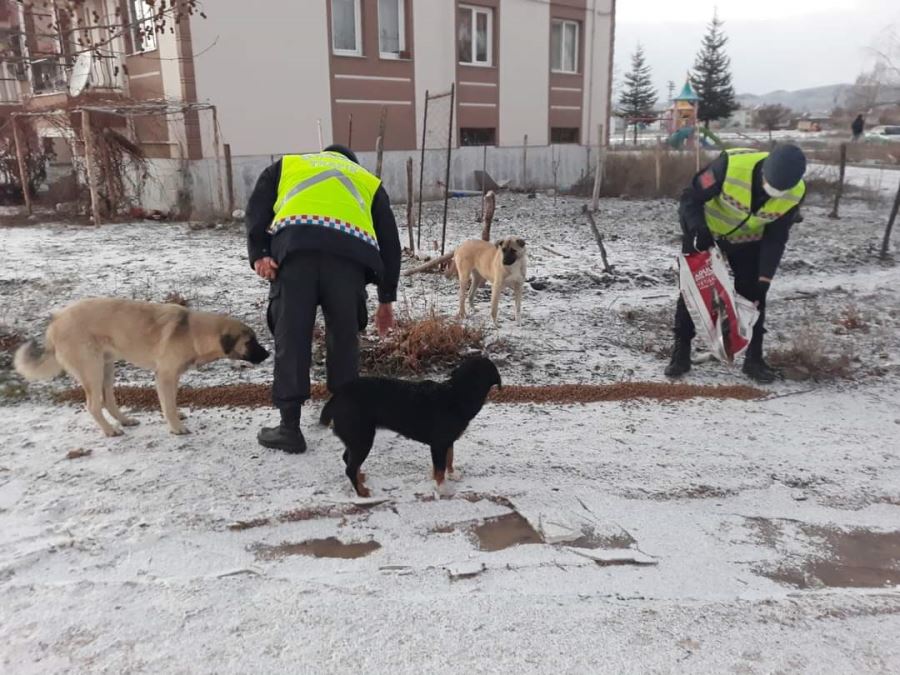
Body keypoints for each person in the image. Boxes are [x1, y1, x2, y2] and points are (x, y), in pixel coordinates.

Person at [246, 144, 401, 453]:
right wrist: (386, 299)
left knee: (292, 336)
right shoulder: (366, 180)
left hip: (294, 255)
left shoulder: (290, 166)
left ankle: (290, 428)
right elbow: (390, 244)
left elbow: (257, 207)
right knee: (344, 337)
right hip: (348, 261)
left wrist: (259, 254)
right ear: (351, 162)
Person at [664, 144, 807, 384]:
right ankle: (681, 352)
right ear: (764, 171)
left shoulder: (794, 193)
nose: (770, 194)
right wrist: (698, 230)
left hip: (748, 239)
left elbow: (776, 236)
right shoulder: (730, 166)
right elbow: (691, 199)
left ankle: (754, 359)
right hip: (706, 232)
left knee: (754, 295)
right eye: (768, 187)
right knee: (694, 290)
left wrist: (765, 277)